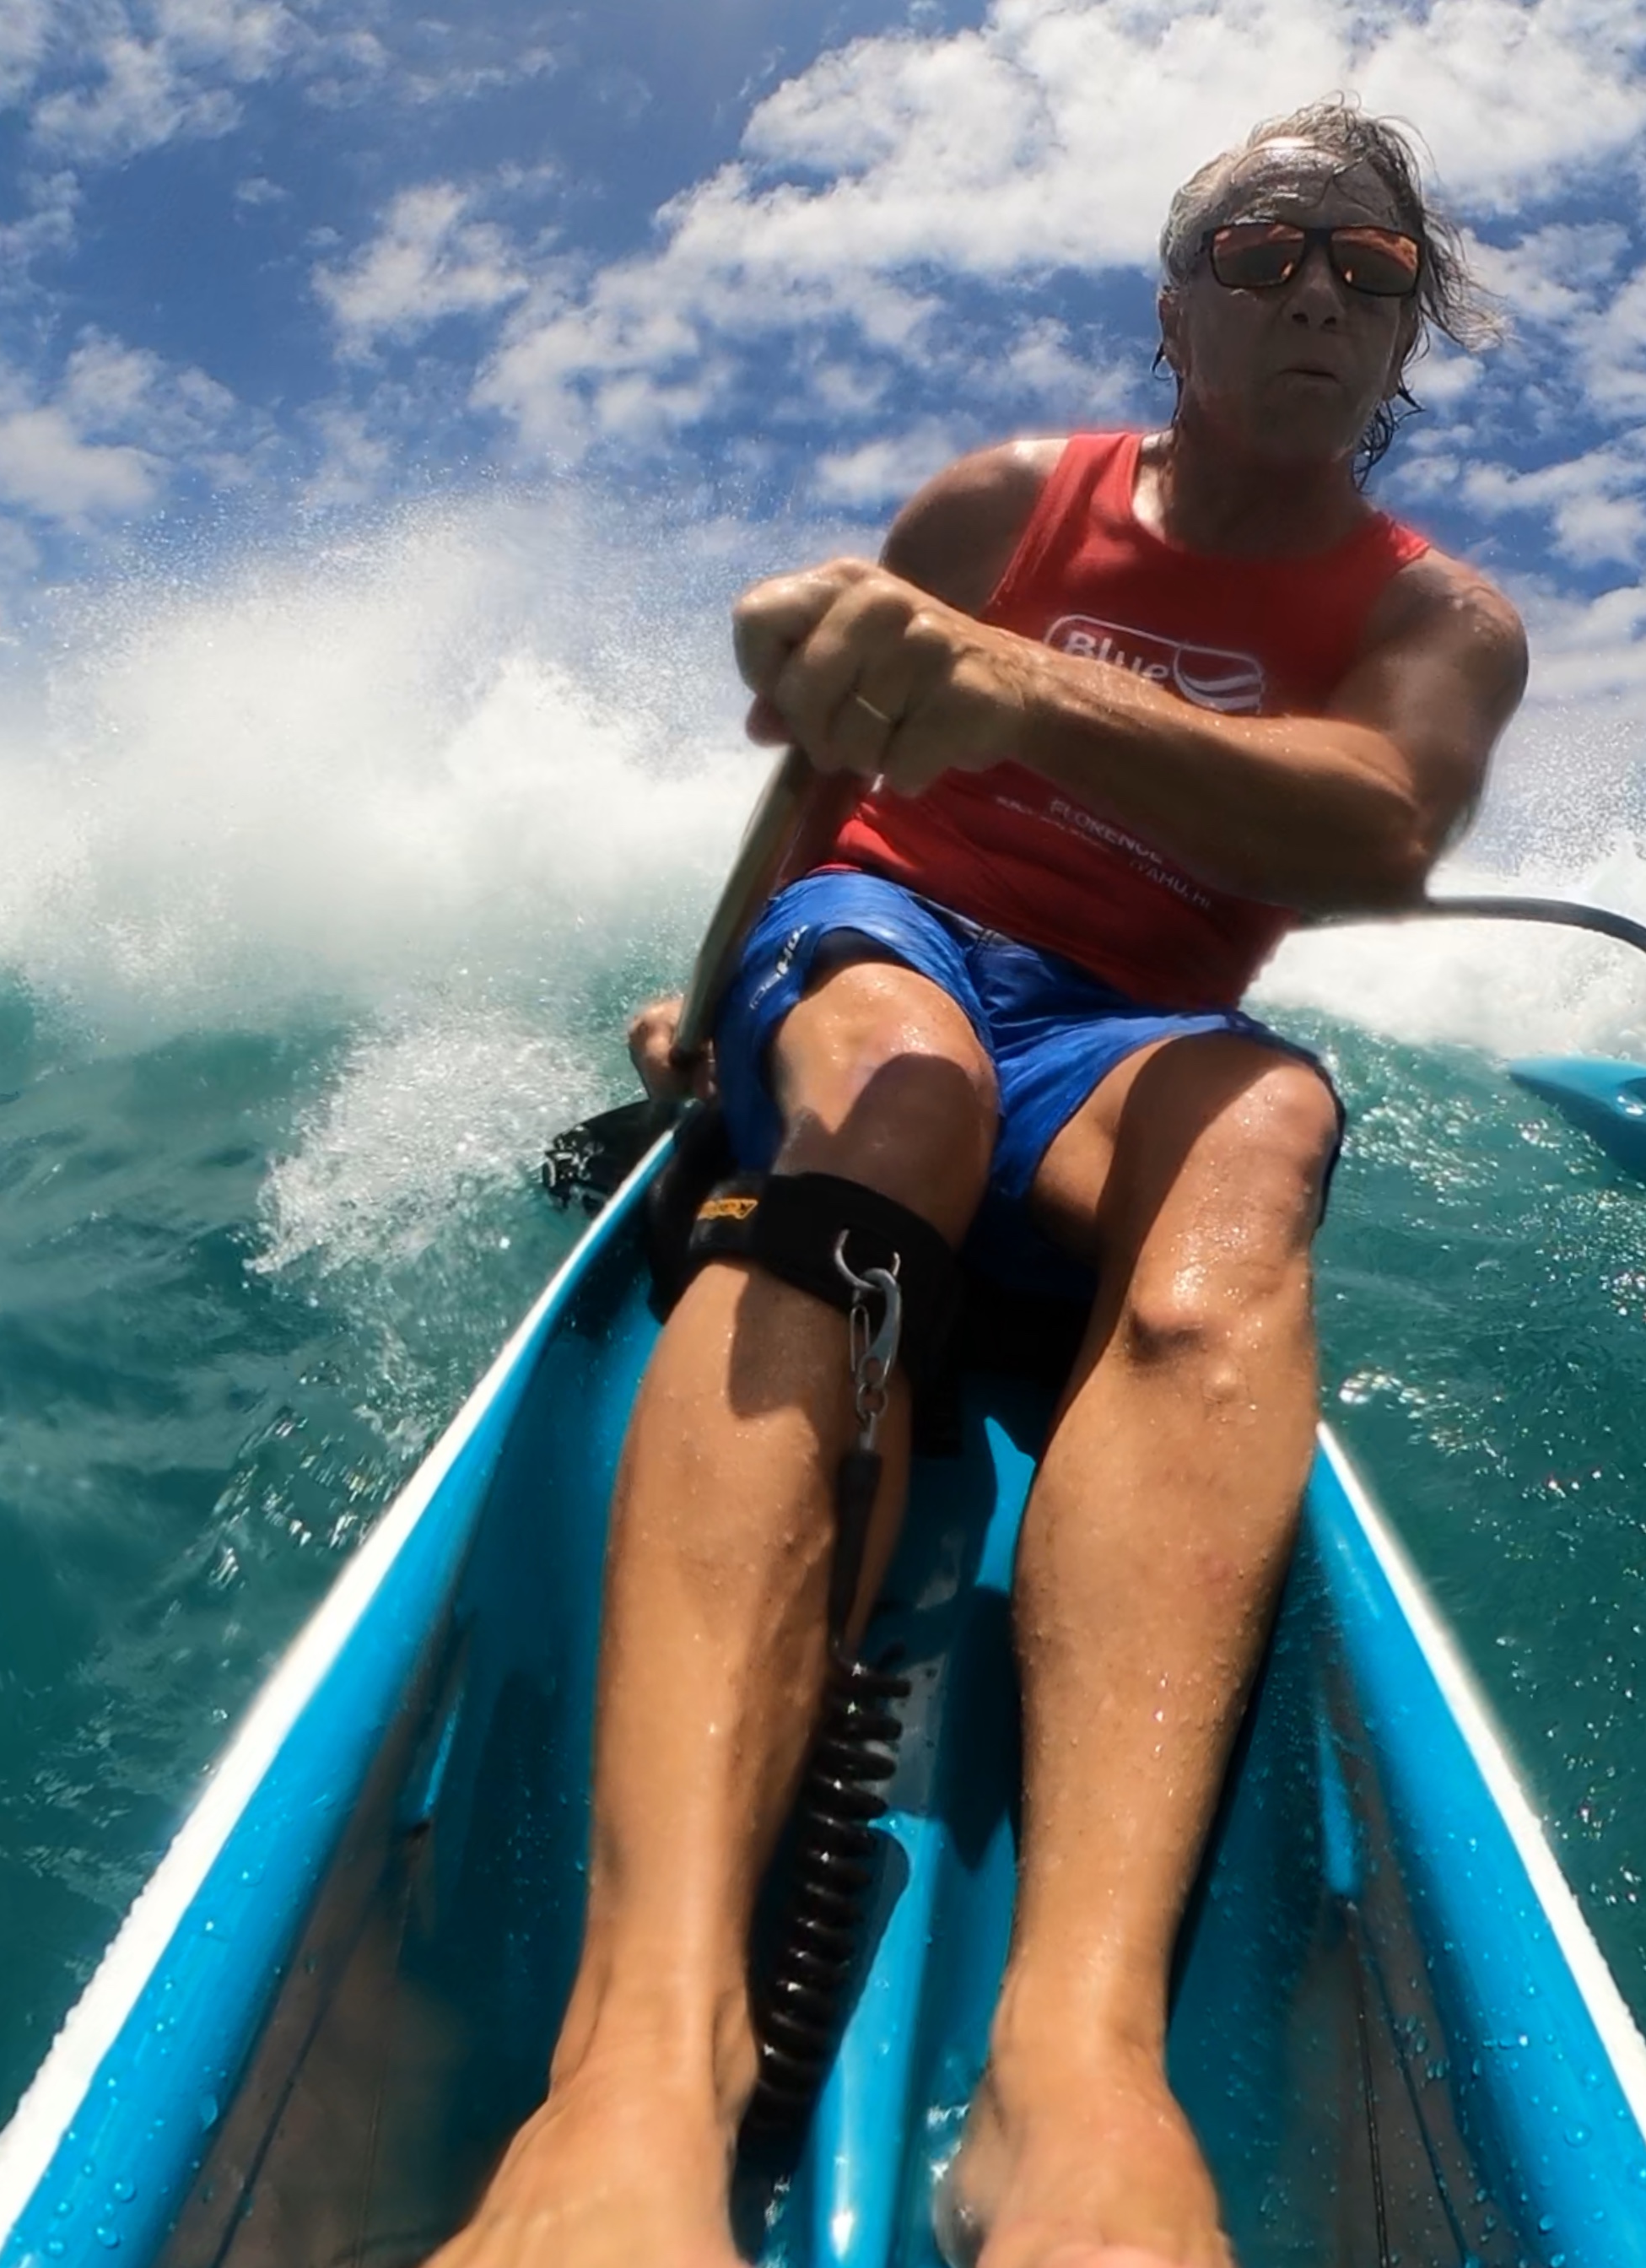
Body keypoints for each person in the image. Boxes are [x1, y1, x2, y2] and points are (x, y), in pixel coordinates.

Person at [432, 98, 1528, 2268]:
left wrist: (1016, 693)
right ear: (1174, 307)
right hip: (892, 955)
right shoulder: (1010, 503)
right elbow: (817, 790)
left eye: (1369, 271)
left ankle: (1073, 2076)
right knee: (907, 1101)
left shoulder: (1440, 623)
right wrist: (699, 1005)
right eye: (1260, 246)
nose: (1312, 284)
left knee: (1274, 1134)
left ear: (1401, 344)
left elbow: (1370, 831)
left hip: (1120, 1022)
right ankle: (638, 2071)